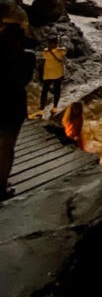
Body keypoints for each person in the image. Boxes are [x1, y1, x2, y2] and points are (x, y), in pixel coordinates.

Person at [0, 23, 36, 200]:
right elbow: (24, 81)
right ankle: (1, 185)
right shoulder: (28, 58)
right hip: (13, 105)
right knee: (7, 147)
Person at [37, 35, 67, 116]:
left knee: (44, 92)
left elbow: (47, 51)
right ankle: (55, 108)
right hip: (58, 74)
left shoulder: (46, 52)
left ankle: (41, 109)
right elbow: (63, 50)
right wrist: (58, 44)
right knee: (57, 90)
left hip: (48, 75)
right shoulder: (62, 51)